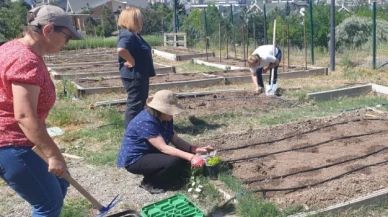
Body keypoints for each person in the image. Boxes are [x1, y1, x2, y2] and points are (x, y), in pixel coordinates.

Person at [0, 5, 83, 217]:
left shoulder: (11, 47)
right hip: (12, 142)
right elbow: (25, 116)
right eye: (66, 36)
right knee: (47, 205)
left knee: (61, 184)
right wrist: (53, 154)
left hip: (20, 140)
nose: (67, 42)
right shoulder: (26, 60)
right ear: (47, 30)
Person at [117, 90, 214, 194]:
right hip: (136, 158)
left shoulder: (165, 118)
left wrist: (194, 149)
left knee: (182, 160)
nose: (172, 115)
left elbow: (175, 139)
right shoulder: (146, 121)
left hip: (150, 152)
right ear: (159, 110)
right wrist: (191, 157)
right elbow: (163, 148)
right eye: (170, 112)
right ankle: (150, 182)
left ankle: (168, 176)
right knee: (173, 162)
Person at [117, 8, 156, 128]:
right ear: (132, 20)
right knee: (134, 104)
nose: (142, 20)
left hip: (140, 74)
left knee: (140, 101)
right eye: (139, 18)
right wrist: (131, 60)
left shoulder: (135, 35)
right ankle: (131, 131)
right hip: (134, 75)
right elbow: (121, 49)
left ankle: (138, 127)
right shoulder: (127, 35)